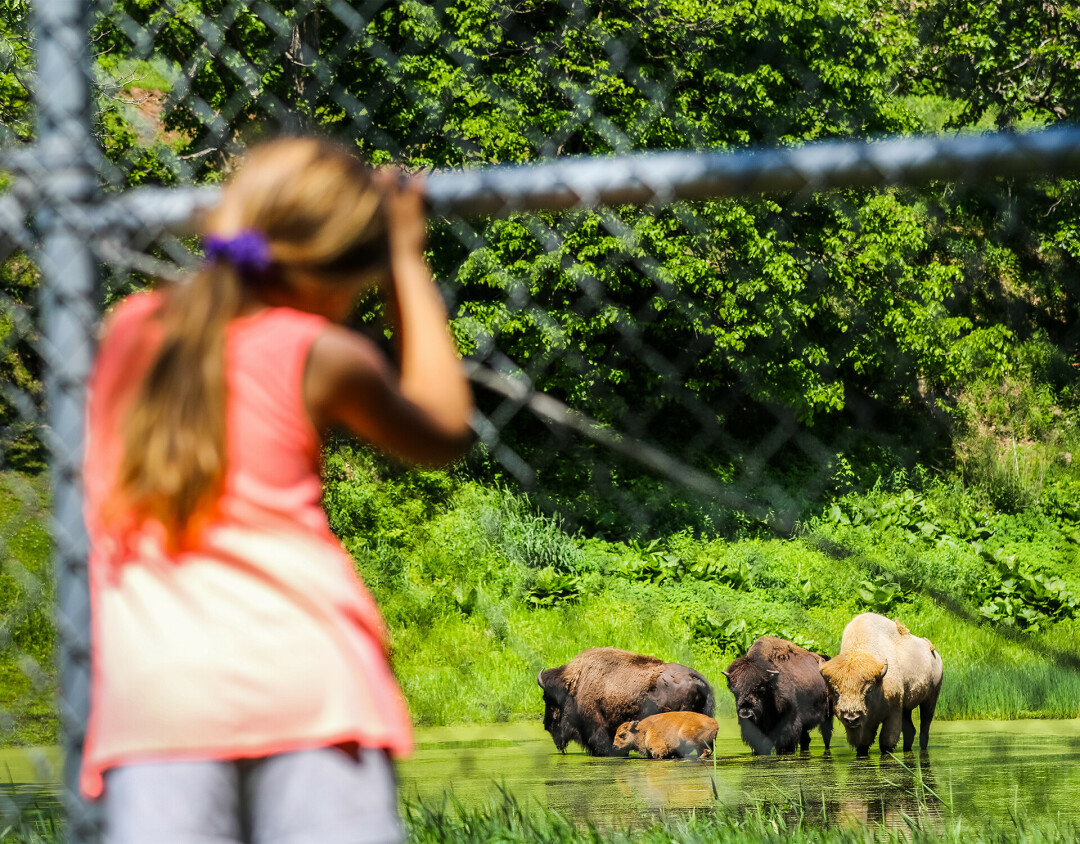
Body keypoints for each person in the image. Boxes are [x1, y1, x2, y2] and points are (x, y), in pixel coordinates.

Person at [81, 137, 473, 843]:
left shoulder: (128, 331)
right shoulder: (318, 354)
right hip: (309, 687)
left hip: (155, 702)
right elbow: (444, 429)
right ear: (340, 275)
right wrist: (407, 262)